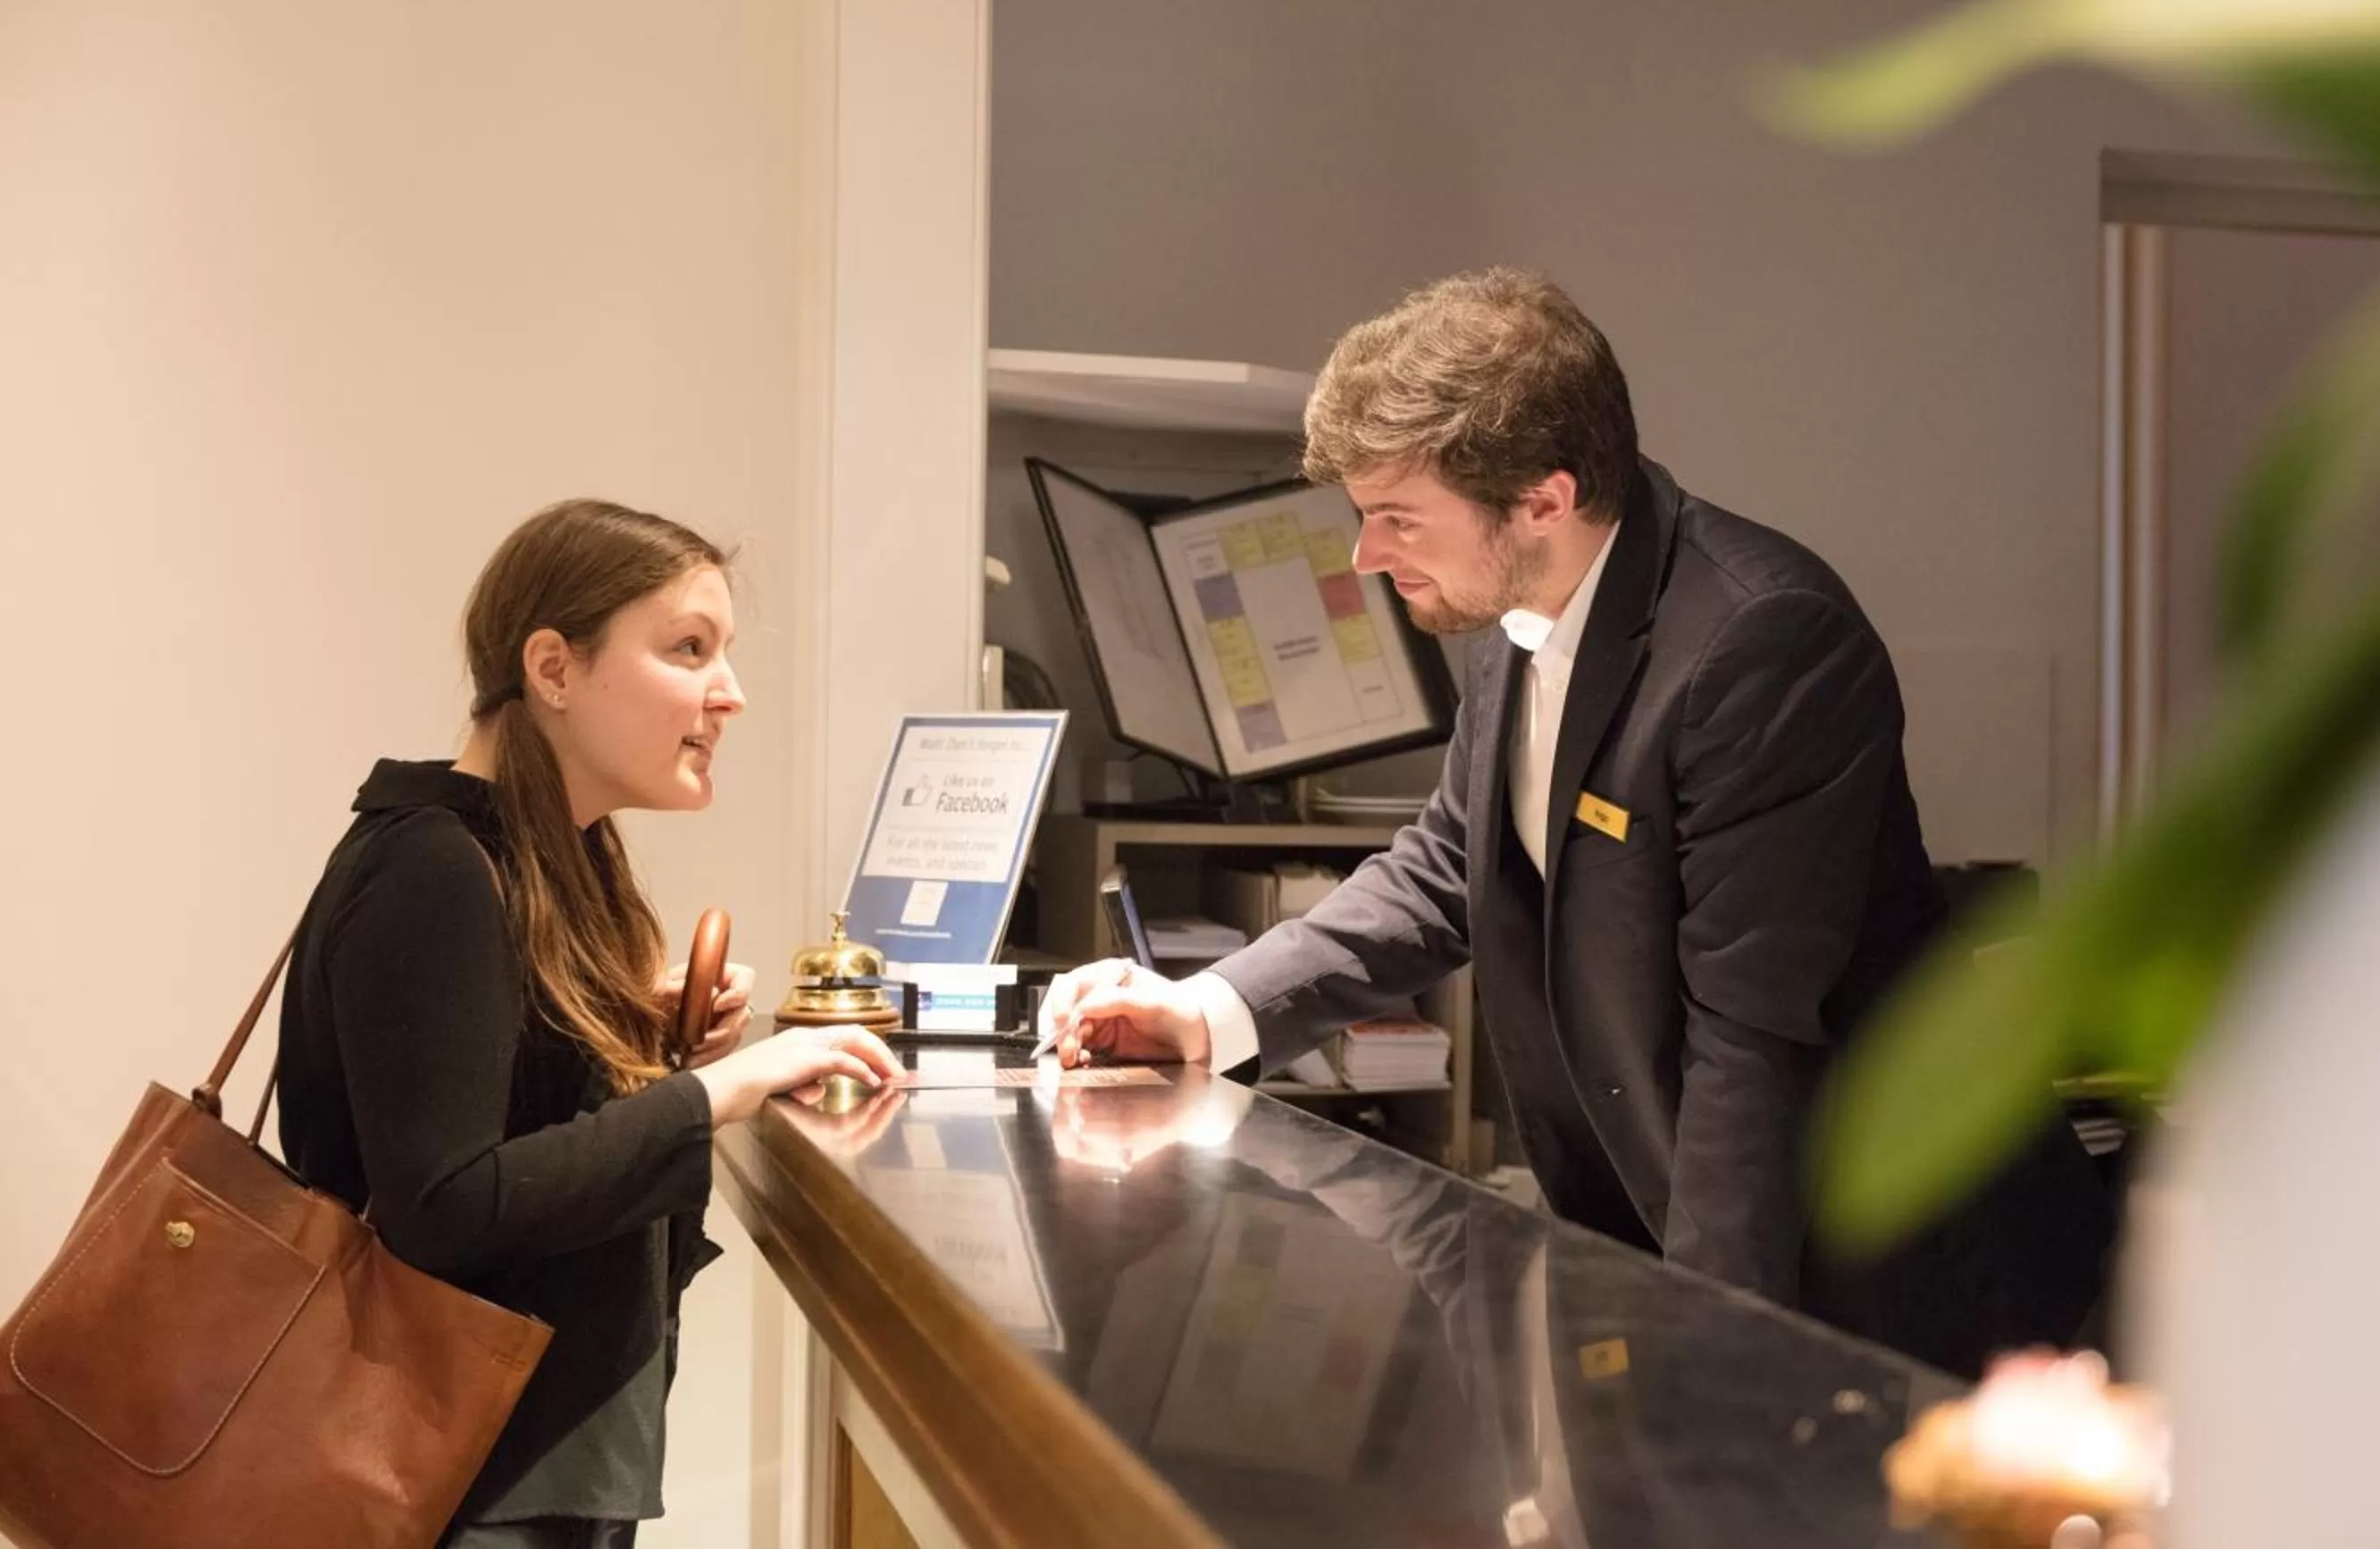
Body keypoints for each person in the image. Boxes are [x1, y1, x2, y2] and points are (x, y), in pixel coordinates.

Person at [1037, 270, 2108, 1376]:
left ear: (1544, 500)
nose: (1365, 556)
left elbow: (1750, 1038)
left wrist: (1706, 1340)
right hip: (1676, 1233)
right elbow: (1448, 867)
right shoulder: (1514, 614)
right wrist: (1206, 1011)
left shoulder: (1762, 639)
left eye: (1397, 519)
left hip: (1881, 1272)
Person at [274, 499, 900, 1548]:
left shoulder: (535, 856)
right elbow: (448, 1205)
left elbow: (490, 1101)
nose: (730, 692)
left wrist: (623, 1035)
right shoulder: (432, 865)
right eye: (688, 648)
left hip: (507, 1466)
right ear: (554, 668)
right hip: (456, 1487)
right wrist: (715, 1091)